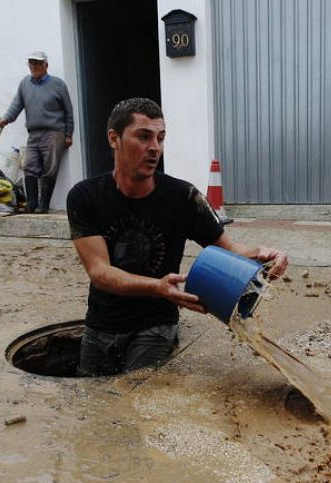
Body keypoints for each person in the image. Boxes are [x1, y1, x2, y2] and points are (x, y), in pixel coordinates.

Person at [66, 97, 288, 377]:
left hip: (155, 326)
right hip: (100, 324)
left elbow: (229, 249)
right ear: (114, 138)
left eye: (160, 138)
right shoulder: (85, 196)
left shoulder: (183, 198)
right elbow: (99, 271)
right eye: (143, 137)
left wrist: (265, 256)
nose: (154, 148)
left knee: (138, 399)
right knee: (92, 401)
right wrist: (157, 286)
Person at [0, 51, 74, 214]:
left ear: (46, 65)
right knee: (29, 166)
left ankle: (43, 205)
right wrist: (5, 119)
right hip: (33, 132)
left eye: (37, 63)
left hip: (54, 132)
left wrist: (68, 134)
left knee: (50, 168)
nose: (34, 67)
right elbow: (16, 106)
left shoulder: (58, 84)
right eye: (31, 63)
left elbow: (68, 111)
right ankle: (31, 204)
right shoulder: (25, 84)